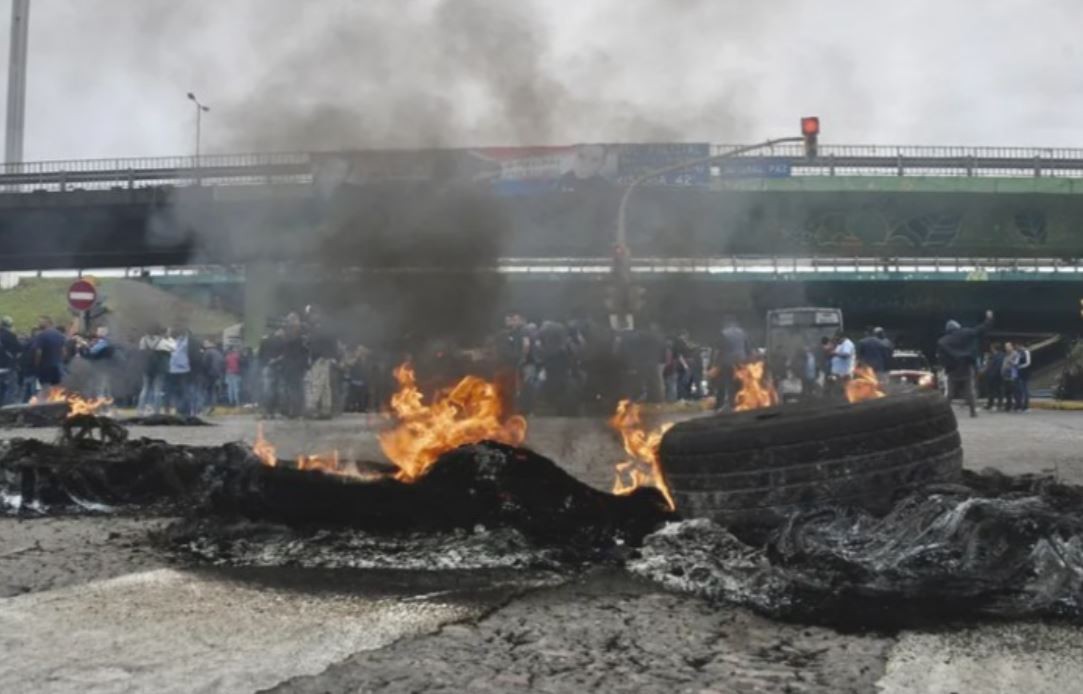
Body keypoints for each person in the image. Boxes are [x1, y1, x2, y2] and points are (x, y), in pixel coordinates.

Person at [937, 310, 993, 418]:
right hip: (966, 367)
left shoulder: (942, 341)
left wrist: (945, 367)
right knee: (969, 392)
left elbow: (941, 358)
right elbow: (979, 330)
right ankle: (973, 412)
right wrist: (989, 319)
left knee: (950, 394)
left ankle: (944, 413)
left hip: (952, 370)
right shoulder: (965, 333)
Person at [714, 315, 751, 410]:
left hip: (728, 362)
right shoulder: (743, 332)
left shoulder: (724, 333)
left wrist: (716, 364)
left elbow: (720, 350)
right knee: (740, 383)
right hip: (742, 361)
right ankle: (742, 403)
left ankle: (729, 404)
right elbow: (748, 348)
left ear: (727, 323)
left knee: (727, 383)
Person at [29, 316, 67, 398]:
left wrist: (37, 364)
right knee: (56, 389)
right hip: (57, 366)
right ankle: (54, 404)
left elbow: (38, 352)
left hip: (45, 367)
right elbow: (64, 352)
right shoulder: (60, 335)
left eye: (41, 322)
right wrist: (60, 361)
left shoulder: (41, 335)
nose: (39, 324)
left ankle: (42, 406)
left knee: (44, 388)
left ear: (48, 323)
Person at [827, 331, 855, 399]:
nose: (836, 340)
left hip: (844, 372)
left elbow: (846, 354)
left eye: (837, 339)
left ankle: (846, 402)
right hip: (839, 372)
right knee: (838, 389)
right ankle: (838, 401)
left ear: (842, 337)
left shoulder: (847, 344)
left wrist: (835, 354)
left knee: (844, 389)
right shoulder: (841, 344)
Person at [0, 316, 21, 405]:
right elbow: (19, 349)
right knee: (11, 389)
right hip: (8, 367)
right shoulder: (10, 335)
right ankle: (7, 411)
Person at [983, 343, 1005, 411]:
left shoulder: (1000, 356)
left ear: (994, 348)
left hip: (997, 376)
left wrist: (992, 374)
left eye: (992, 348)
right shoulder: (993, 356)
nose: (991, 349)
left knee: (999, 391)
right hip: (991, 376)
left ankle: (999, 405)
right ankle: (990, 404)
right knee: (990, 391)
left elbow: (997, 367)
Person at [1013, 342, 1031, 412]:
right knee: (1018, 390)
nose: (1016, 348)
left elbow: (1028, 363)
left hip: (1024, 373)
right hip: (1018, 374)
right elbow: (1015, 362)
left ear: (1021, 345)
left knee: (1024, 390)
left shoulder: (1026, 352)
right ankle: (1019, 405)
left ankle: (1025, 406)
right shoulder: (1018, 353)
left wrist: (1020, 367)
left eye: (1017, 347)